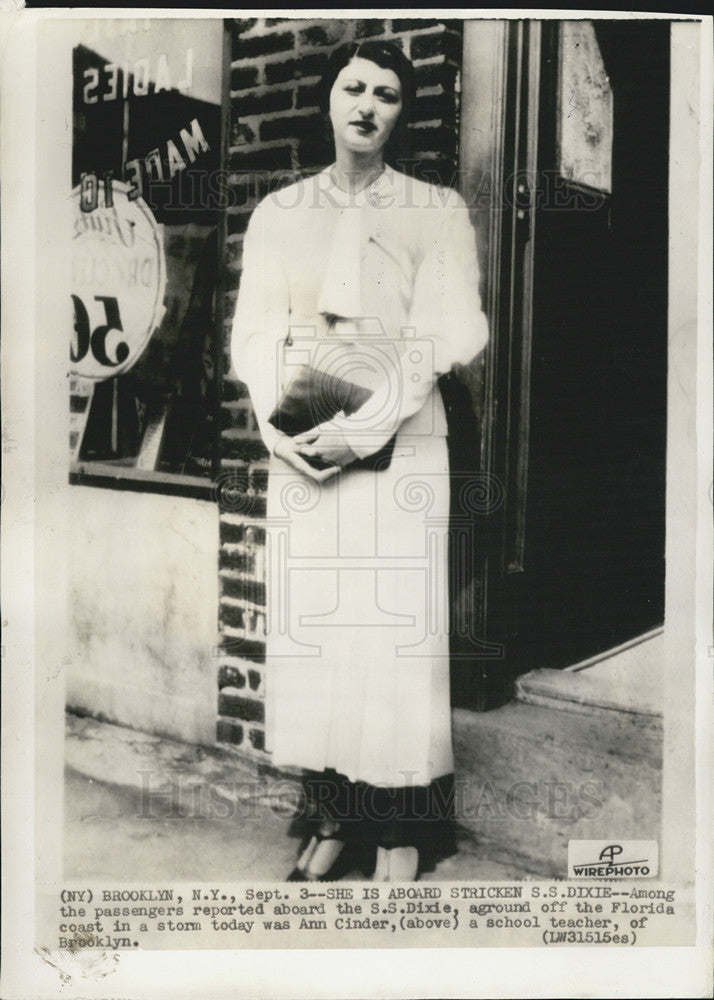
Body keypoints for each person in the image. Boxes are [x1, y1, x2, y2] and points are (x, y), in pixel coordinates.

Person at [230, 39, 489, 881]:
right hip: (305, 447)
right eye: (353, 88)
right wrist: (289, 435)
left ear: (401, 112)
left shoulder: (435, 208)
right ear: (327, 101)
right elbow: (257, 337)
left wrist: (365, 429)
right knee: (323, 637)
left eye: (386, 92)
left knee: (393, 639)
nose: (367, 105)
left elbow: (447, 333)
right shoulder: (280, 213)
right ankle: (336, 813)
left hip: (404, 446)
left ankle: (404, 830)